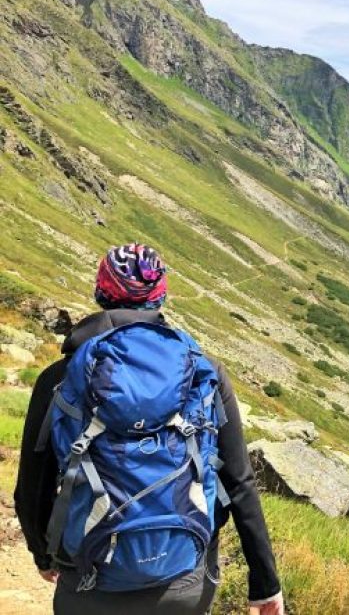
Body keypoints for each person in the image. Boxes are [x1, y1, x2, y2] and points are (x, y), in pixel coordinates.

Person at [15, 243, 284, 615]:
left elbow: (33, 484)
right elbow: (239, 482)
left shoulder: (62, 378)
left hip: (90, 579)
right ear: (161, 295)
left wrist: (43, 554)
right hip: (185, 578)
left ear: (100, 293)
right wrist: (265, 583)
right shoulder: (204, 372)